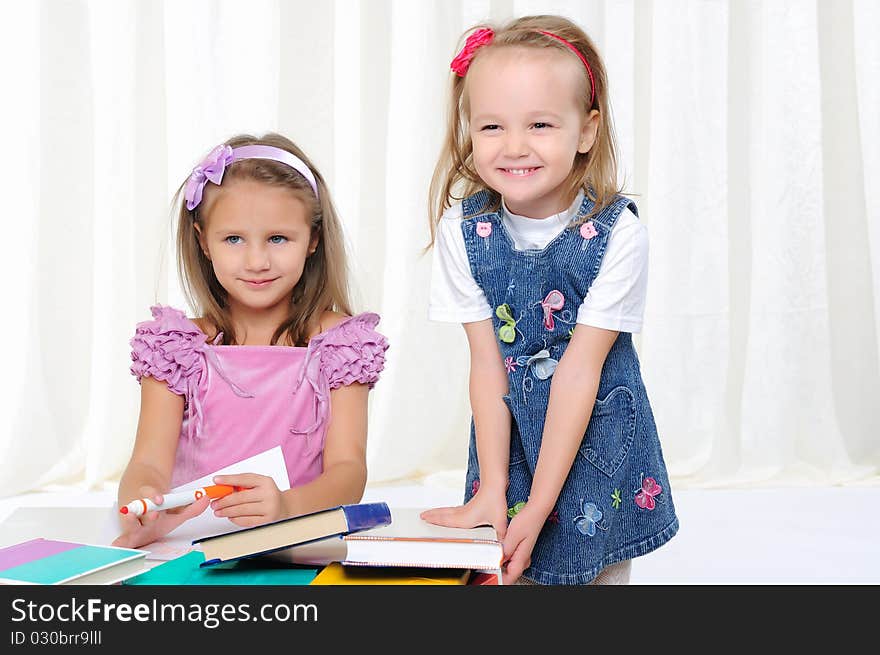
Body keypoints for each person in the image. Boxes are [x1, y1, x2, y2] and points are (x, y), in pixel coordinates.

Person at [422, 15, 678, 585]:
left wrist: (539, 508)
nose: (514, 147)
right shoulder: (462, 231)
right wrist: (494, 488)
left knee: (590, 573)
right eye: (491, 127)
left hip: (594, 437)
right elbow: (488, 367)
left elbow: (580, 372)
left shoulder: (618, 233)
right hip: (507, 442)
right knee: (506, 572)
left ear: (586, 131)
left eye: (539, 124)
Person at [113, 133, 389, 549]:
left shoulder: (340, 345)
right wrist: (144, 502)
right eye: (233, 239)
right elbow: (148, 461)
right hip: (192, 546)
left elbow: (348, 471)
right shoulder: (176, 346)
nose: (257, 261)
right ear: (203, 240)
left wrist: (285, 506)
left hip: (295, 544)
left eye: (278, 239)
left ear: (312, 239)